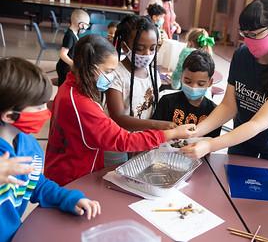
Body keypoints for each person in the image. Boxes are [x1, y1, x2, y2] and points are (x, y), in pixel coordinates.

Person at [45, 35, 195, 186]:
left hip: (71, 169)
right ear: (90, 68)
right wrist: (172, 134)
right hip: (71, 179)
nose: (111, 77)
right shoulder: (80, 103)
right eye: (109, 71)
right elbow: (123, 140)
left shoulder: (72, 85)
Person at [181, 0, 268, 162]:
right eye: (244, 33)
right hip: (241, 137)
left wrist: (210, 145)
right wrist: (196, 131)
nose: (248, 41)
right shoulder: (242, 55)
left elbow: (258, 123)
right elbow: (228, 106)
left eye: (254, 34)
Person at [0, 57, 100, 241]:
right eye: (38, 106)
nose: (46, 111)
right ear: (9, 115)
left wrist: (67, 198)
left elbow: (36, 183)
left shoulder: (29, 144)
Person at [104, 16, 176, 166]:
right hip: (117, 143)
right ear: (125, 47)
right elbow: (118, 117)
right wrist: (158, 126)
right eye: (139, 48)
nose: (147, 54)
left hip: (144, 140)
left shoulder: (153, 74)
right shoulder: (116, 74)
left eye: (152, 48)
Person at [153, 50, 221, 138]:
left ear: (210, 82)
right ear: (181, 76)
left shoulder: (214, 112)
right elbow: (153, 132)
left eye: (200, 84)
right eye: (188, 81)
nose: (193, 87)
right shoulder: (167, 101)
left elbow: (212, 142)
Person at [56, 9, 90, 86]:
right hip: (64, 67)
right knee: (63, 87)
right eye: (86, 25)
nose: (87, 27)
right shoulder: (69, 36)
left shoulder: (75, 33)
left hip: (68, 66)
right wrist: (73, 64)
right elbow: (62, 54)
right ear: (81, 24)